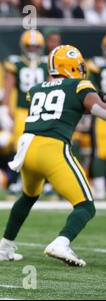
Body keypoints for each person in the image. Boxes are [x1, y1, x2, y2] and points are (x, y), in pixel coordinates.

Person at [0, 45, 103, 267]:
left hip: (27, 149)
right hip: (52, 149)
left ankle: (3, 248)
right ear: (70, 66)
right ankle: (61, 243)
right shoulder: (80, 85)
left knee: (28, 196)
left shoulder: (36, 88)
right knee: (86, 206)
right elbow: (97, 108)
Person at [1, 30, 47, 198]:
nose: (33, 50)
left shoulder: (46, 63)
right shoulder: (16, 63)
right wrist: (4, 109)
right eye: (29, 46)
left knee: (42, 146)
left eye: (36, 46)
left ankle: (44, 183)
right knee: (18, 147)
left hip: (41, 110)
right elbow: (8, 87)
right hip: (22, 110)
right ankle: (13, 182)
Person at [87, 35, 106, 199]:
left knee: (101, 151)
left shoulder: (98, 66)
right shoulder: (96, 66)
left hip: (102, 108)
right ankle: (99, 186)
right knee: (101, 151)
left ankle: (100, 187)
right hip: (103, 110)